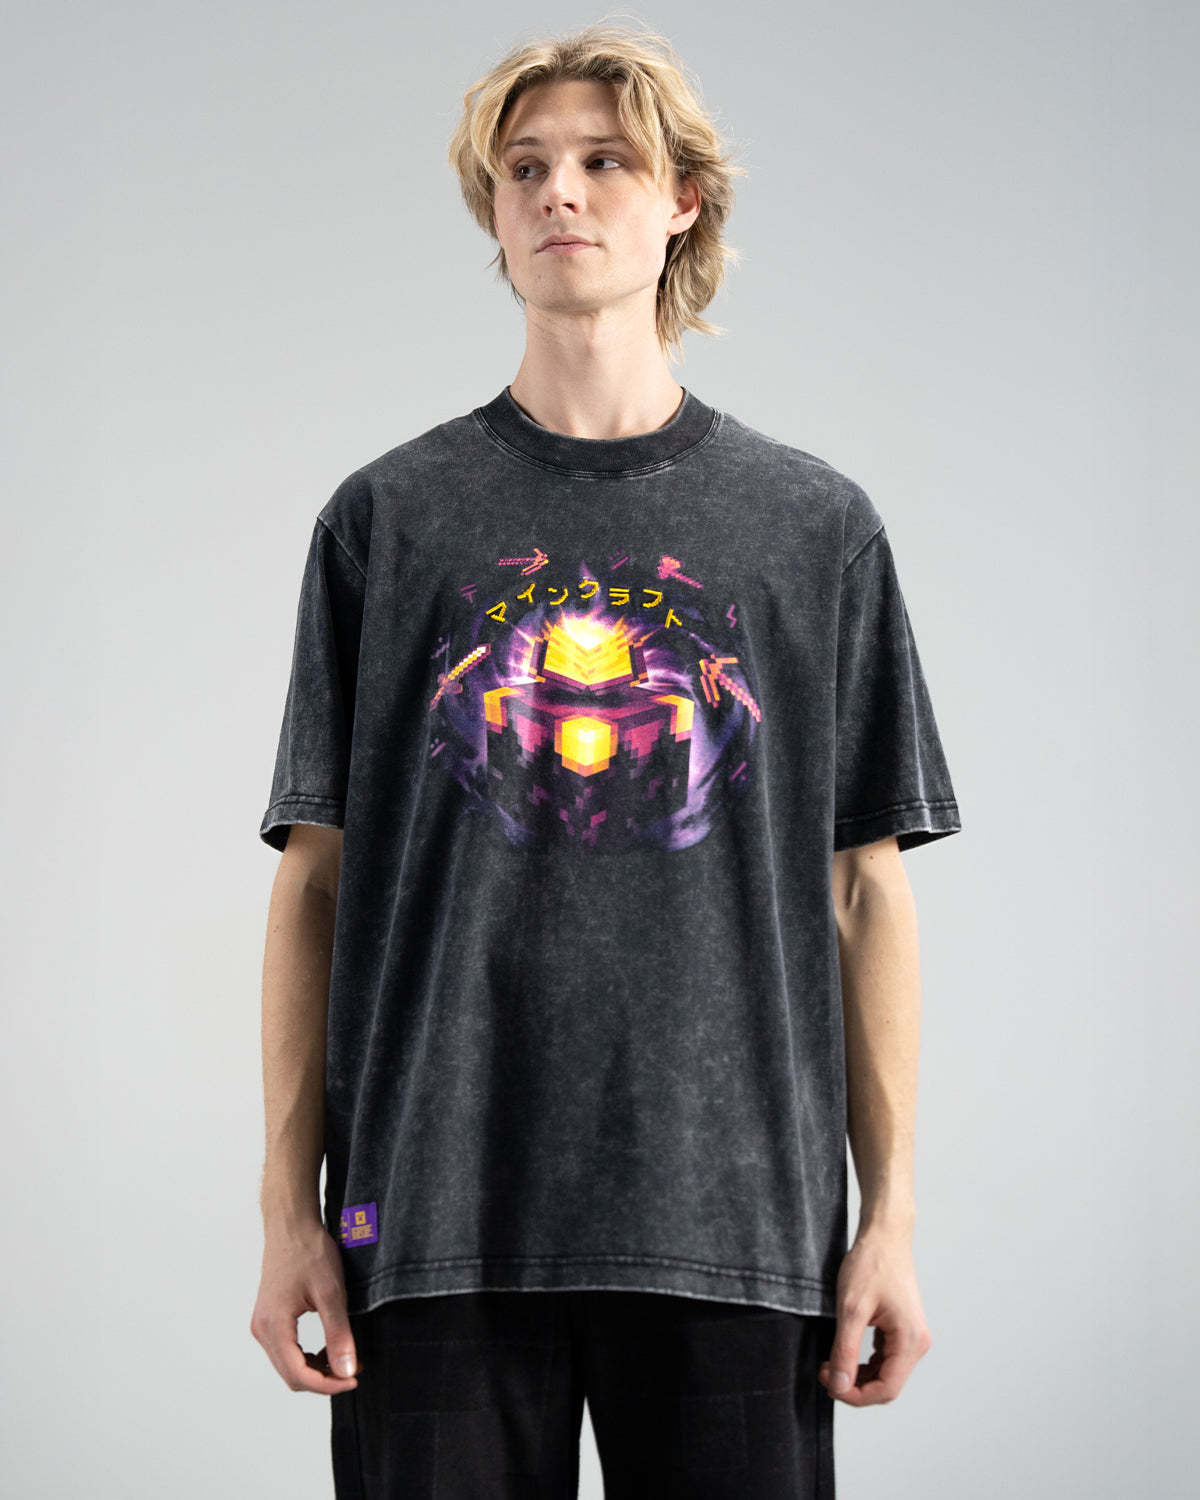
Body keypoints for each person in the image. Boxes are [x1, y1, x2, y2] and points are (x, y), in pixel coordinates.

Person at [250, 21, 961, 1499]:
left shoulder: (813, 529)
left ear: (684, 199)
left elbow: (864, 892)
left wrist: (889, 1218)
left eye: (604, 161)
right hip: (427, 1218)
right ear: (493, 211)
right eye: (524, 168)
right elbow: (315, 885)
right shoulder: (387, 521)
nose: (559, 193)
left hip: (738, 1222)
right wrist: (287, 1208)